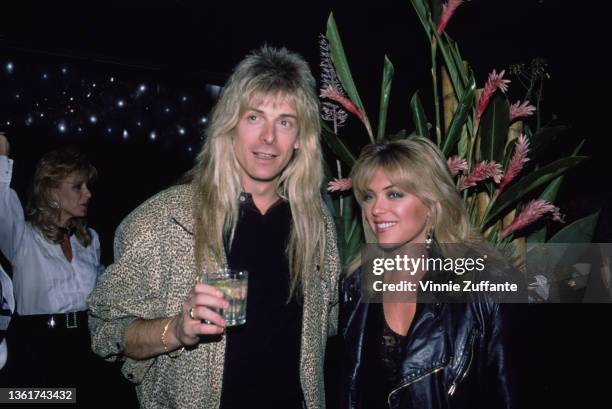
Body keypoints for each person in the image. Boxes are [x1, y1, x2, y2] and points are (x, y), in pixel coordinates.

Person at [88, 45, 340, 409]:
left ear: (301, 138)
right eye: (254, 117)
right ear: (230, 124)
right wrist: (175, 329)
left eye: (285, 122)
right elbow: (105, 328)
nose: (268, 138)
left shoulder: (316, 226)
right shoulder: (166, 219)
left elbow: (325, 325)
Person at [340, 137, 525, 409]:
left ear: (431, 203)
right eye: (368, 196)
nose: (376, 210)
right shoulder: (357, 285)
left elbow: (510, 394)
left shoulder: (488, 283)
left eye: (394, 194)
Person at [0, 132, 103, 388]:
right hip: (39, 349)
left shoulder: (90, 239)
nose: (88, 193)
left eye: (88, 185)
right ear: (52, 191)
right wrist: (2, 154)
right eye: (78, 186)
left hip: (85, 345)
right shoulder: (22, 237)